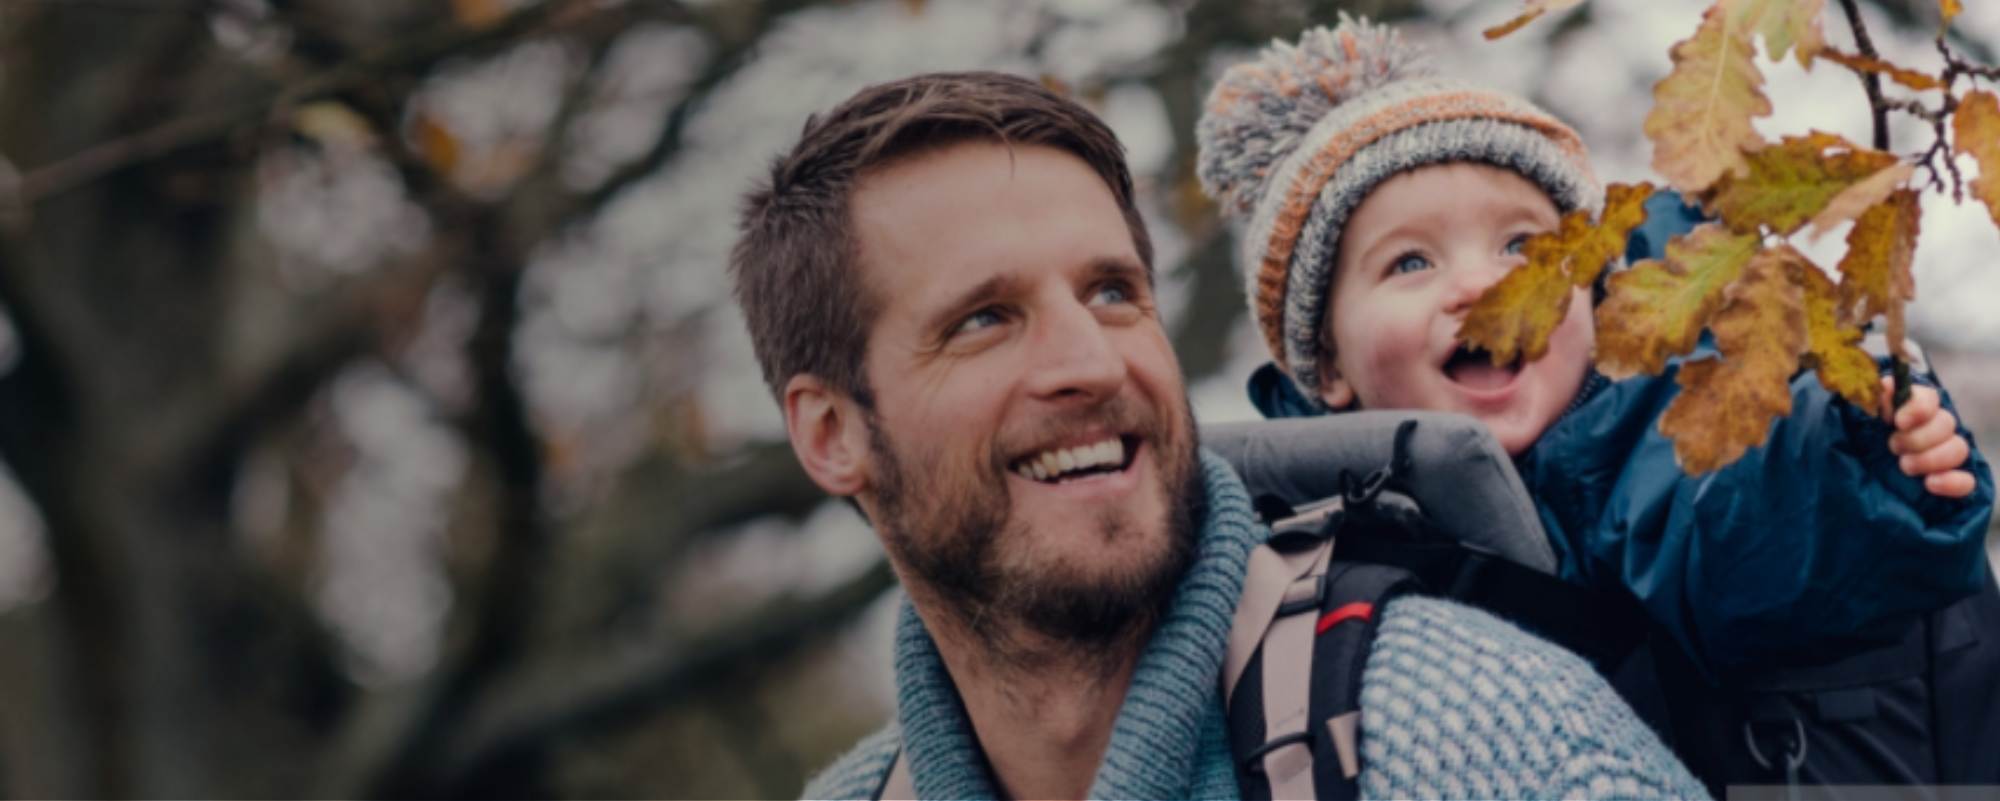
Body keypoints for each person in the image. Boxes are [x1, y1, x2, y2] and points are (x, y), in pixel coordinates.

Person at [733, 70, 1707, 799]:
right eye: (984, 318)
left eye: (1112, 292)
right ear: (831, 433)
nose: (1094, 362)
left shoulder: (1472, 733)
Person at [1194, 16, 1997, 789]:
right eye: (1410, 262)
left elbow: (1739, 522)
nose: (1482, 284)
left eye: (1524, 247)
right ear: (1327, 366)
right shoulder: (1314, 551)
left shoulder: (1646, 435)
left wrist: (1860, 445)